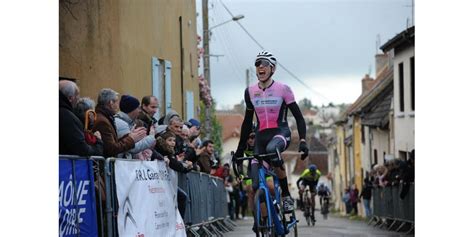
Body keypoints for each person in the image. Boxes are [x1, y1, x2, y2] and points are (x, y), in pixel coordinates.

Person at [235, 51, 309, 216]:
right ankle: (264, 222)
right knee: (255, 185)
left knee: (272, 150)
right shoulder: (250, 91)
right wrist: (240, 149)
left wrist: (303, 140)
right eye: (257, 64)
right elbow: (247, 123)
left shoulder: (283, 89)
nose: (260, 66)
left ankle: (286, 195)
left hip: (280, 133)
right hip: (261, 136)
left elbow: (299, 117)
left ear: (273, 68)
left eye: (264, 63)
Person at [93, 88, 147, 157]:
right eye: (116, 102)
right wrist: (131, 139)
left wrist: (129, 136)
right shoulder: (102, 121)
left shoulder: (106, 118)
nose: (118, 106)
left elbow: (114, 143)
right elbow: (111, 149)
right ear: (111, 103)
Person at [59, 80, 103, 156]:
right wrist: (99, 142)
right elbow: (83, 150)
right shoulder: (67, 116)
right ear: (70, 98)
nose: (78, 99)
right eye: (77, 96)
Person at [115, 95, 156, 159]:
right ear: (132, 109)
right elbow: (132, 148)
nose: (140, 111)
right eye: (138, 108)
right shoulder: (121, 124)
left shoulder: (129, 123)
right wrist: (151, 137)